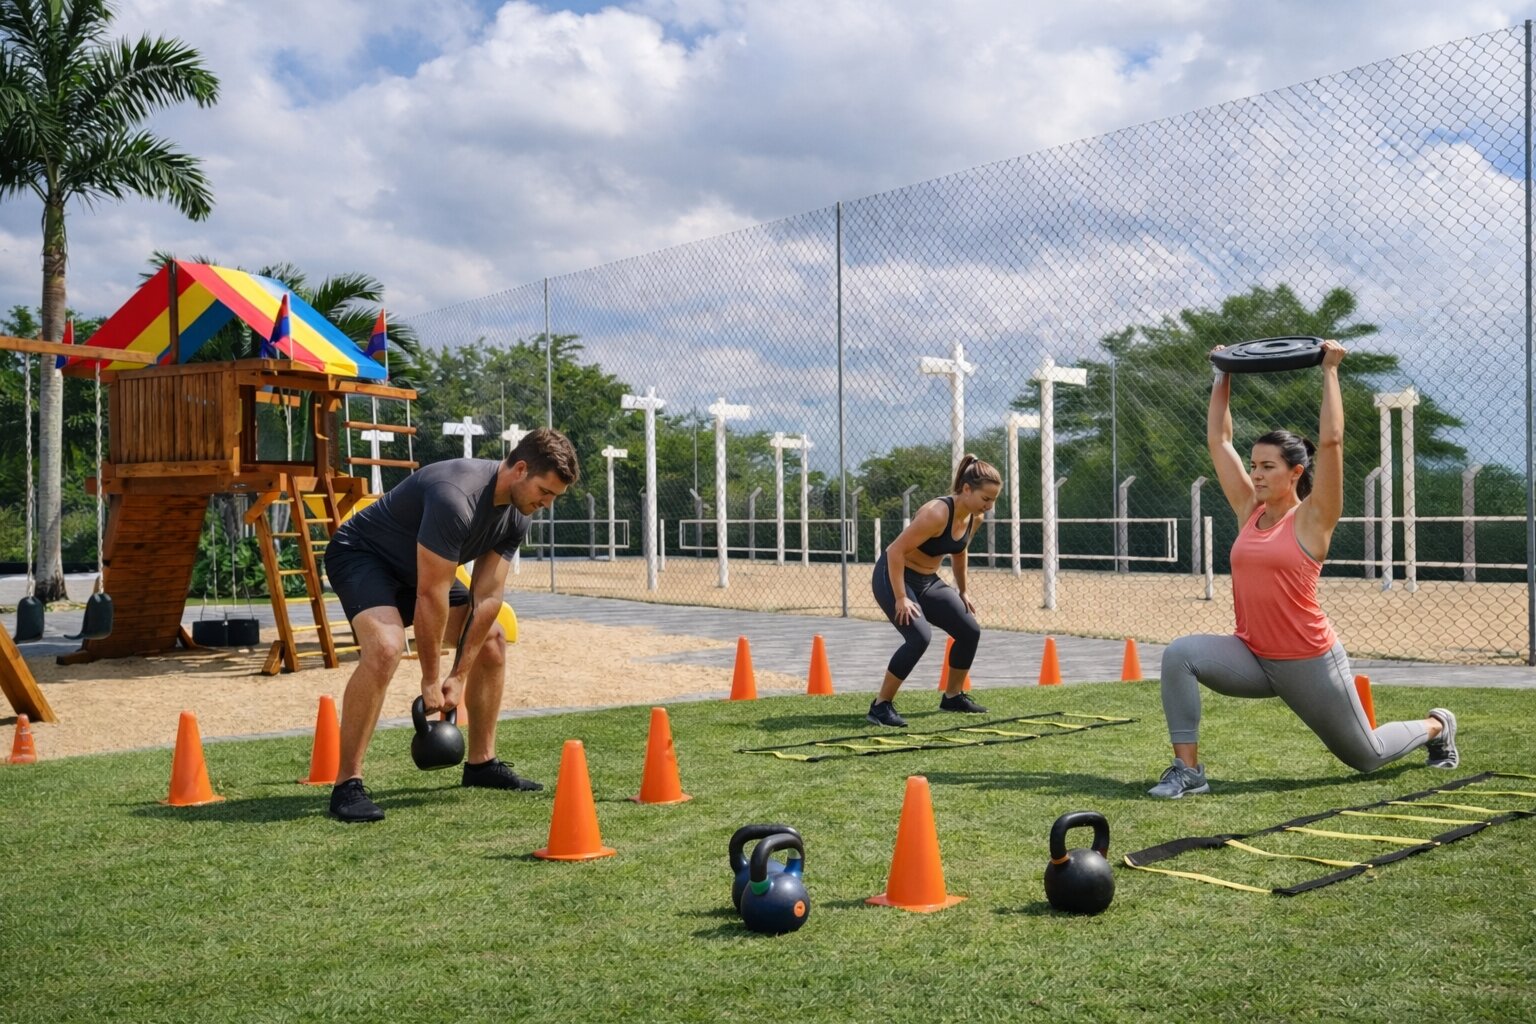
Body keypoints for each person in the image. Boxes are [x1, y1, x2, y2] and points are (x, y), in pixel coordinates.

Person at [1149, 340, 1458, 799]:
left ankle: (1438, 726)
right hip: (1251, 656)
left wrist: (1329, 371)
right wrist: (1222, 372)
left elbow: (1332, 441)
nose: (1255, 474)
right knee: (1180, 654)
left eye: (1267, 467)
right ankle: (1188, 772)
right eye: (1254, 466)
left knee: (1366, 755)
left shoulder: (1314, 518)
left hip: (1309, 663)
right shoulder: (1248, 509)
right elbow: (1219, 440)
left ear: (1295, 472)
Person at [323, 427, 580, 822]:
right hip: (363, 557)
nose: (546, 503)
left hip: (419, 574)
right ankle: (347, 784)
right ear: (521, 469)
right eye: (545, 492)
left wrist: (458, 676)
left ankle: (481, 763)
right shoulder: (456, 496)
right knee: (387, 647)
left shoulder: (518, 514)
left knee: (492, 640)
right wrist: (431, 678)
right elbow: (430, 596)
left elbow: (488, 597)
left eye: (554, 497)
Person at [867, 454, 1002, 727]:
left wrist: (963, 591)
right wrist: (901, 597)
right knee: (919, 637)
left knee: (969, 631)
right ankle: (880, 706)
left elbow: (960, 552)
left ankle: (952, 697)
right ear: (966, 489)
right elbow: (894, 551)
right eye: (986, 498)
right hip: (894, 575)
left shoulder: (973, 517)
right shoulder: (937, 513)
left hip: (927, 580)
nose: (990, 506)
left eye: (994, 499)